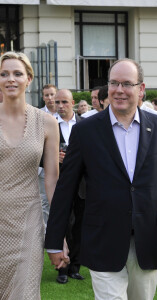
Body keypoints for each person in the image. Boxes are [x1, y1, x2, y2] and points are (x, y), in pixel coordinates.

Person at [45, 58, 157, 300]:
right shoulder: (86, 131)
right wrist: (55, 240)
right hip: (102, 238)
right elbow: (66, 188)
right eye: (114, 83)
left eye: (127, 83)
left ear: (141, 89)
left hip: (148, 239)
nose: (119, 90)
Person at [0, 51, 59, 298]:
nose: (10, 79)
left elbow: (52, 178)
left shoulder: (47, 123)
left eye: (17, 73)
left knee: (24, 293)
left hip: (29, 221)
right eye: (4, 74)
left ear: (29, 79)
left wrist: (58, 234)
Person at [54, 89, 85, 284]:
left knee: (80, 226)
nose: (60, 106)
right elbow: (37, 154)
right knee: (62, 225)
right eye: (57, 102)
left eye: (64, 102)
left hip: (82, 183)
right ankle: (62, 269)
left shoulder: (85, 124)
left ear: (72, 102)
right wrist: (52, 157)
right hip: (58, 181)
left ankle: (75, 267)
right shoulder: (49, 124)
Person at [39, 83, 58, 227]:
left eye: (52, 94)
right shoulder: (38, 116)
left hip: (63, 165)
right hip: (43, 166)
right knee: (44, 201)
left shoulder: (64, 112)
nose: (50, 98)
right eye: (47, 95)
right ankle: (47, 230)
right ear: (43, 97)